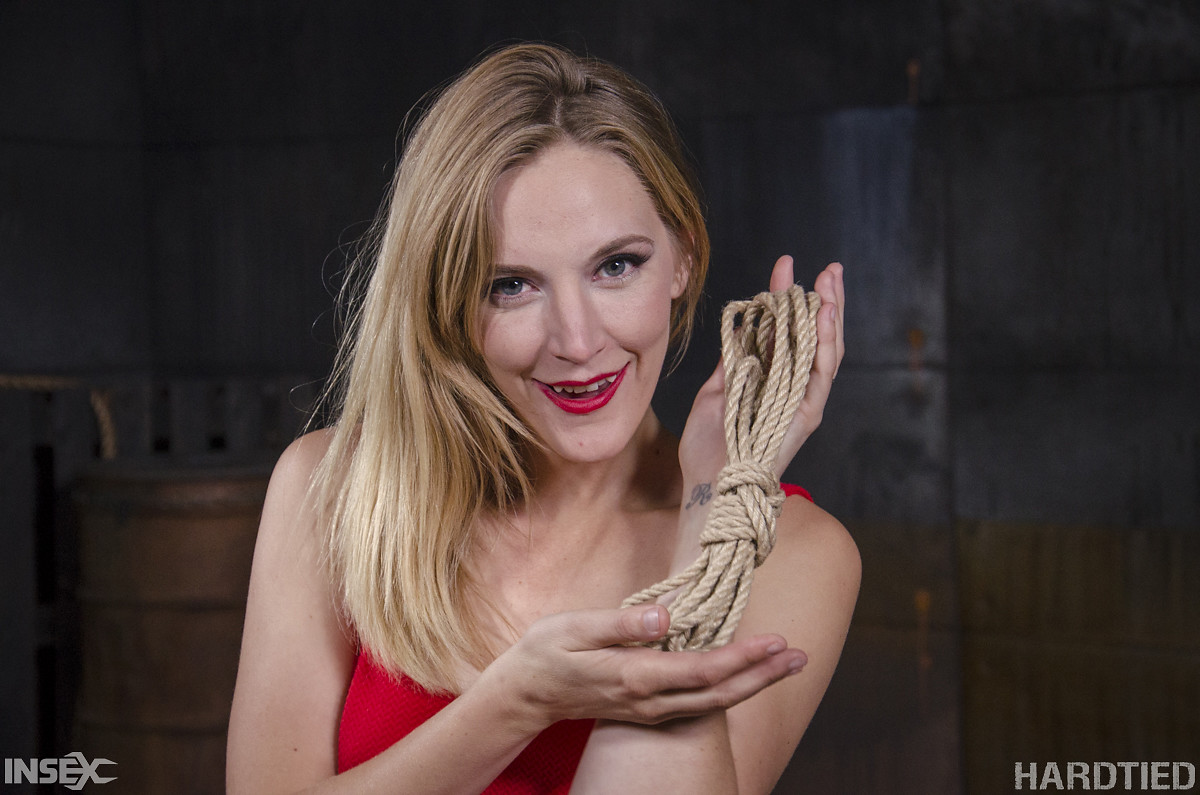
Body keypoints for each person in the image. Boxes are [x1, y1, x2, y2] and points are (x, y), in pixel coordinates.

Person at [227, 42, 858, 795]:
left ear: (683, 257)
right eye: (511, 285)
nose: (578, 342)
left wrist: (710, 515)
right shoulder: (335, 490)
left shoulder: (792, 552)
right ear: (446, 299)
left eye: (616, 266)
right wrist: (518, 703)